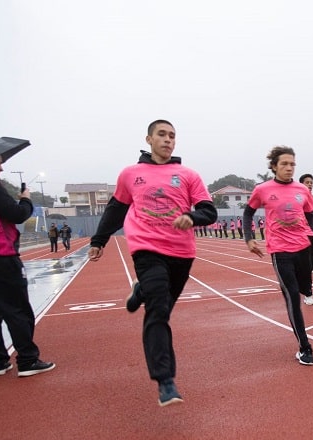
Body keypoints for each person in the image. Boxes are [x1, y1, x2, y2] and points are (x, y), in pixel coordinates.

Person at [89, 119, 217, 406]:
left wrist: (192, 217)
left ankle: (141, 291)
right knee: (157, 311)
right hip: (146, 248)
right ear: (148, 139)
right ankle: (165, 381)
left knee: (163, 307)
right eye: (162, 134)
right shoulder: (130, 174)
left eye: (172, 136)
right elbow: (116, 209)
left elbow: (209, 211)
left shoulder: (188, 175)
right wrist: (99, 240)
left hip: (181, 253)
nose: (168, 140)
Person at [0, 154, 55, 376]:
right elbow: (16, 215)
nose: (2, 167)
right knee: (18, 308)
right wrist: (25, 199)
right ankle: (27, 360)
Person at [244, 146, 313, 365]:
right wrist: (249, 238)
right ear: (274, 166)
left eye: (292, 164)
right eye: (284, 164)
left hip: (303, 248)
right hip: (280, 251)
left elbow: (311, 214)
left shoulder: (302, 190)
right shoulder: (262, 189)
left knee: (305, 288)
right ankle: (305, 347)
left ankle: (303, 333)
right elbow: (248, 212)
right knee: (292, 297)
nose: (289, 168)